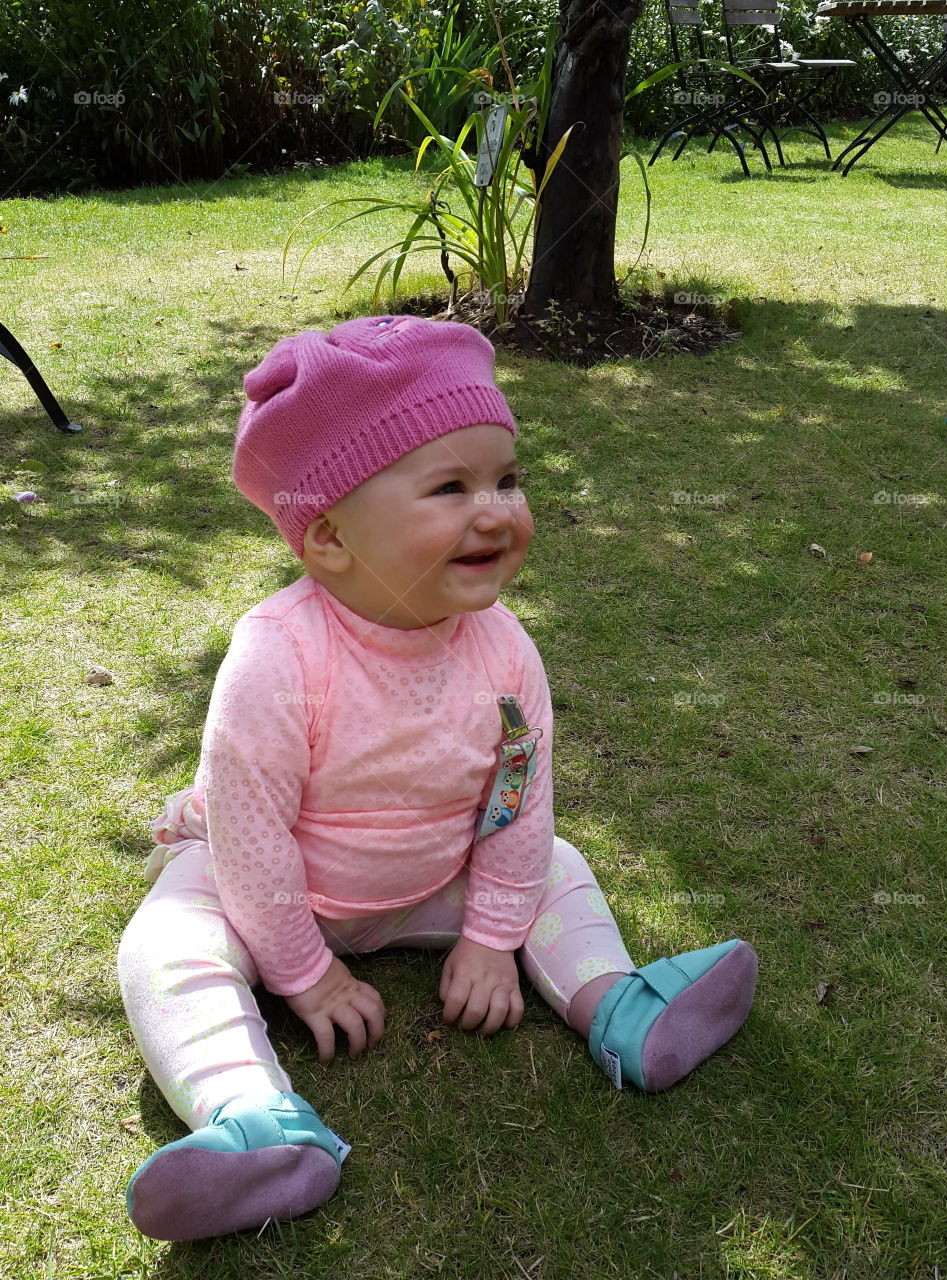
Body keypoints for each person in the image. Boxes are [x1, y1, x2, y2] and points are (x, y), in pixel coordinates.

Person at [117, 316, 758, 1242]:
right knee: (165, 941)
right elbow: (251, 842)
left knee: (555, 862)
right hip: (275, 891)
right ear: (330, 534)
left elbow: (516, 802)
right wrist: (307, 976)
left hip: (432, 879)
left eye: (507, 478)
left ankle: (619, 1006)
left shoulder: (505, 652)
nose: (496, 509)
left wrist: (494, 938)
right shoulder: (277, 658)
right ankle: (252, 1117)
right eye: (451, 487)